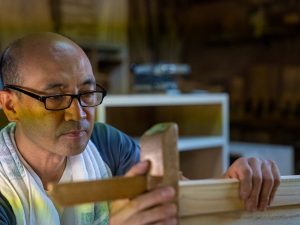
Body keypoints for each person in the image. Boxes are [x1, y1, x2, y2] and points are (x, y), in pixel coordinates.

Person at [0, 32, 280, 225]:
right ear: (11, 106)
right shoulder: (5, 186)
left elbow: (177, 198)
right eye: (55, 97)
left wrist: (235, 182)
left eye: (87, 93)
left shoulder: (105, 143)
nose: (79, 114)